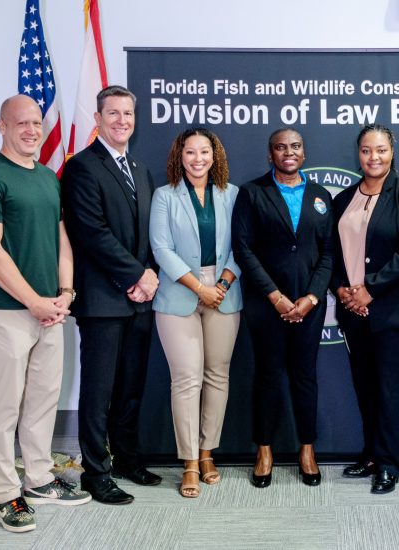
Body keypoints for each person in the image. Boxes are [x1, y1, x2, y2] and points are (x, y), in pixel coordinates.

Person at [0, 95, 90, 533]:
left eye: (37, 123)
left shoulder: (46, 179)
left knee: (41, 402)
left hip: (50, 312)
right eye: (22, 123)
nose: (32, 130)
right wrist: (34, 302)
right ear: (1, 126)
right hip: (6, 314)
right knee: (4, 409)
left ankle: (38, 478)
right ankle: (6, 494)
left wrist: (64, 293)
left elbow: (60, 238)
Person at [62, 85, 161, 505]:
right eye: (113, 113)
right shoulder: (82, 167)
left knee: (131, 386)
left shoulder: (139, 168)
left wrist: (150, 274)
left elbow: (148, 232)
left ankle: (126, 458)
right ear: (98, 119)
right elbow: (91, 233)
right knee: (99, 390)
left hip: (140, 297)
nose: (122, 120)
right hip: (103, 299)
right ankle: (95, 472)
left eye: (128, 114)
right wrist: (136, 275)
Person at [232, 128, 332, 488]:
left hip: (309, 304)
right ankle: (264, 450)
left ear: (303, 153)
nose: (288, 152)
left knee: (305, 377)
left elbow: (328, 253)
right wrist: (275, 297)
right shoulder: (252, 193)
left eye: (295, 146)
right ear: (270, 154)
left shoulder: (320, 196)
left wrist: (311, 297)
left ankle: (307, 449)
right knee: (268, 377)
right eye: (280, 147)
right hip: (265, 304)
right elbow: (243, 249)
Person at [333, 124, 399, 494]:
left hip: (392, 311)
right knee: (366, 387)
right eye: (366, 151)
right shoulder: (344, 199)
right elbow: (331, 250)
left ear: (392, 152)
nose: (373, 157)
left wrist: (370, 290)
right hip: (353, 311)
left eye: (381, 150)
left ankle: (390, 464)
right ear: (357, 154)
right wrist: (342, 289)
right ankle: (372, 453)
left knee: (390, 391)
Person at [150, 128, 242, 498]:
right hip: (179, 294)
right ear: (179, 156)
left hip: (224, 290)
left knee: (217, 376)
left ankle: (207, 454)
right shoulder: (164, 196)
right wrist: (199, 287)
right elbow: (161, 248)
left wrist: (220, 284)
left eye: (205, 152)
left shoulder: (232, 194)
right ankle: (188, 461)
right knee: (187, 379)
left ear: (215, 155)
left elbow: (244, 244)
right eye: (191, 152)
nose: (198, 159)